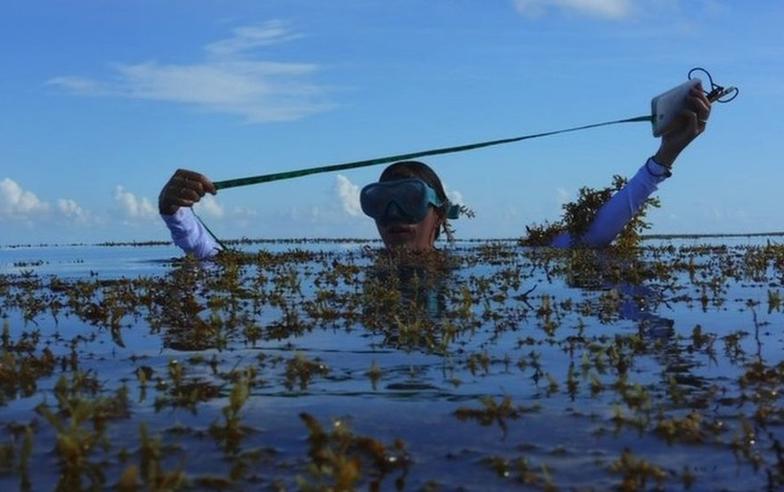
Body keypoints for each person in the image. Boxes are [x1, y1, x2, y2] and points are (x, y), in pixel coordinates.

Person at [159, 85, 711, 259]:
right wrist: (176, 212)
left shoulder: (493, 265)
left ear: (440, 214)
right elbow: (220, 263)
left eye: (408, 200)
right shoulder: (343, 272)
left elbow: (591, 237)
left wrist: (665, 158)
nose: (394, 217)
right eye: (381, 202)